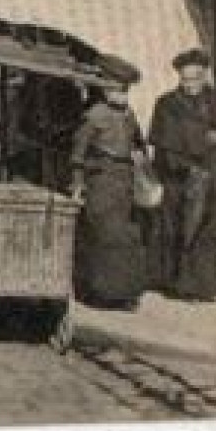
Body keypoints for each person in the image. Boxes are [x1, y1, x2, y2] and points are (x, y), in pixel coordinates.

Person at [149, 48, 216, 301]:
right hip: (177, 176)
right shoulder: (166, 103)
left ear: (204, 76)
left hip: (209, 175)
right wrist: (179, 165)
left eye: (195, 79)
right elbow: (160, 141)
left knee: (208, 229)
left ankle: (204, 287)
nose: (189, 85)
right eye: (185, 80)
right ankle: (177, 285)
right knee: (176, 229)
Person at [70, 56, 150, 308]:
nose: (122, 96)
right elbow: (78, 154)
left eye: (125, 91)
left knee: (123, 237)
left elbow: (138, 143)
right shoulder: (94, 115)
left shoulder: (129, 115)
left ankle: (122, 293)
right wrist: (78, 184)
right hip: (101, 180)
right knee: (101, 235)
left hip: (124, 181)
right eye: (117, 90)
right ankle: (99, 293)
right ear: (105, 89)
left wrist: (141, 162)